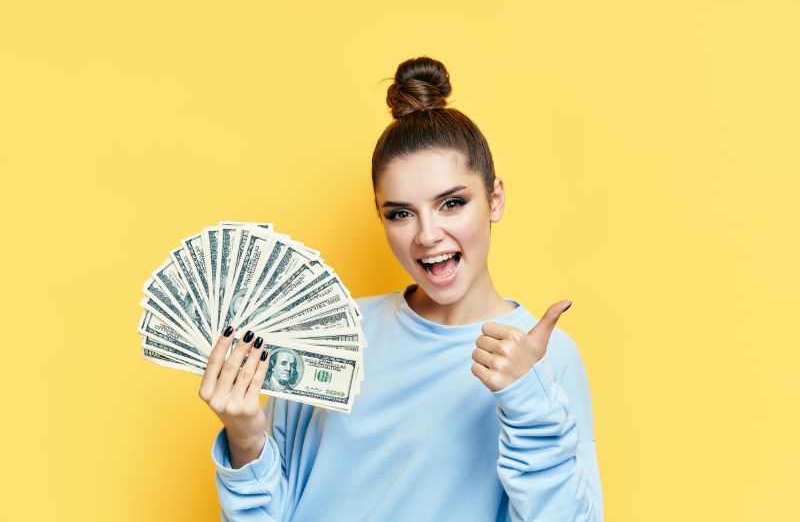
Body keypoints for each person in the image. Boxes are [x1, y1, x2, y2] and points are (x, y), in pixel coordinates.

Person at [198, 56, 604, 521]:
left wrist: (528, 403)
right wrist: (245, 437)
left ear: (495, 198)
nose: (427, 235)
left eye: (451, 203)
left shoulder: (544, 356)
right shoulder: (331, 328)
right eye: (400, 213)